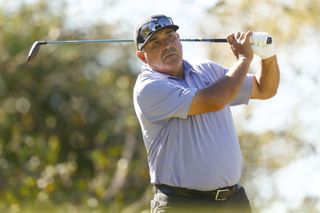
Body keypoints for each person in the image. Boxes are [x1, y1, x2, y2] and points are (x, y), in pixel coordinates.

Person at [133, 14, 280, 213]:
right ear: (142, 56)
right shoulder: (149, 88)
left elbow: (265, 89)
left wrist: (267, 55)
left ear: (179, 38)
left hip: (233, 202)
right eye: (155, 43)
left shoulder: (206, 70)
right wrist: (244, 59)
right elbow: (214, 100)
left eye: (170, 36)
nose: (166, 45)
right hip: (182, 204)